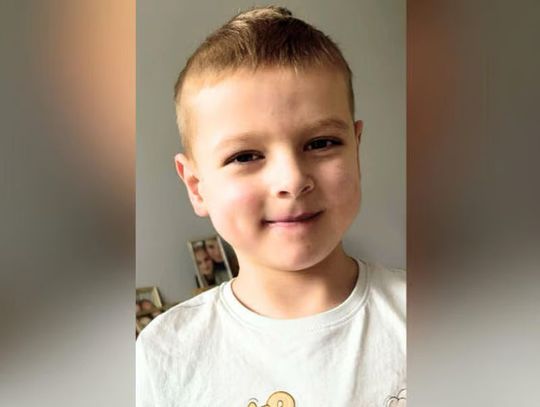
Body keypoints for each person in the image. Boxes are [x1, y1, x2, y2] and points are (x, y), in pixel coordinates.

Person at [136, 6, 405, 406]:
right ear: (196, 186)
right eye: (245, 156)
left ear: (356, 150)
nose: (292, 180)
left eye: (321, 143)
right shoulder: (165, 353)